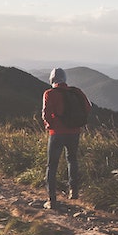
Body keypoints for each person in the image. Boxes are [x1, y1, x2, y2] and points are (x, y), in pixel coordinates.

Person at [41, 67, 91, 209]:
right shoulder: (76, 92)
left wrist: (49, 126)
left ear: (52, 80)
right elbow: (87, 107)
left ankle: (52, 200)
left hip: (56, 133)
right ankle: (73, 191)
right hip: (74, 132)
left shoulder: (49, 93)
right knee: (72, 159)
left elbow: (46, 114)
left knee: (52, 165)